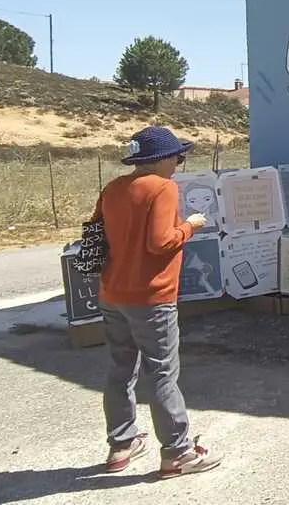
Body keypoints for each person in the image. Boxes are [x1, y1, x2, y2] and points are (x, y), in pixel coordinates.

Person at [94, 126, 222, 477]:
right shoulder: (163, 188)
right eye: (177, 158)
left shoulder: (113, 188)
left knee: (120, 370)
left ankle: (121, 445)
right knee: (162, 374)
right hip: (152, 297)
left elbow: (96, 232)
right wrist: (191, 226)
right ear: (162, 158)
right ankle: (178, 453)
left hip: (112, 293)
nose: (179, 164)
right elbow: (160, 242)